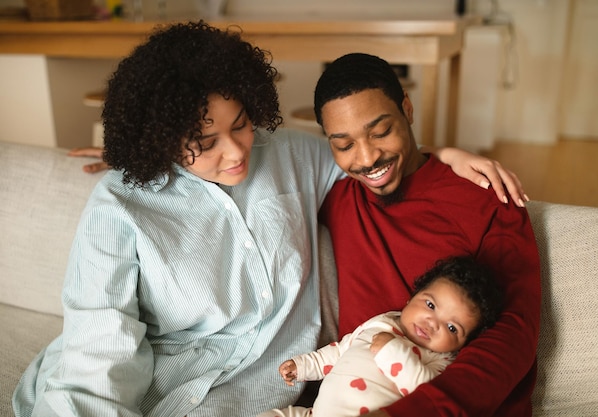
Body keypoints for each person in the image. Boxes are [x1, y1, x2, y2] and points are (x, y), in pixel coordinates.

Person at [13, 22, 526, 417]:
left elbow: (367, 156)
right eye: (203, 142)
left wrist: (448, 154)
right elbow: (98, 356)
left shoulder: (287, 155)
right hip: (156, 384)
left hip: (256, 393)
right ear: (161, 136)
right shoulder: (119, 206)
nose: (237, 151)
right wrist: (138, 158)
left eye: (241, 124)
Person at [314, 52, 541, 417]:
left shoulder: (487, 198)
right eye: (344, 145)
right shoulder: (338, 201)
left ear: (408, 108)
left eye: (382, 131)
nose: (368, 156)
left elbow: (514, 334)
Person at [257, 256, 503, 417]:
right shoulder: (383, 321)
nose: (433, 323)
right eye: (430, 305)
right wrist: (303, 366)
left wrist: (391, 351)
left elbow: (423, 390)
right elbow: (341, 350)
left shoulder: (441, 360)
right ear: (412, 297)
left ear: (463, 343)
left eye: (452, 328)